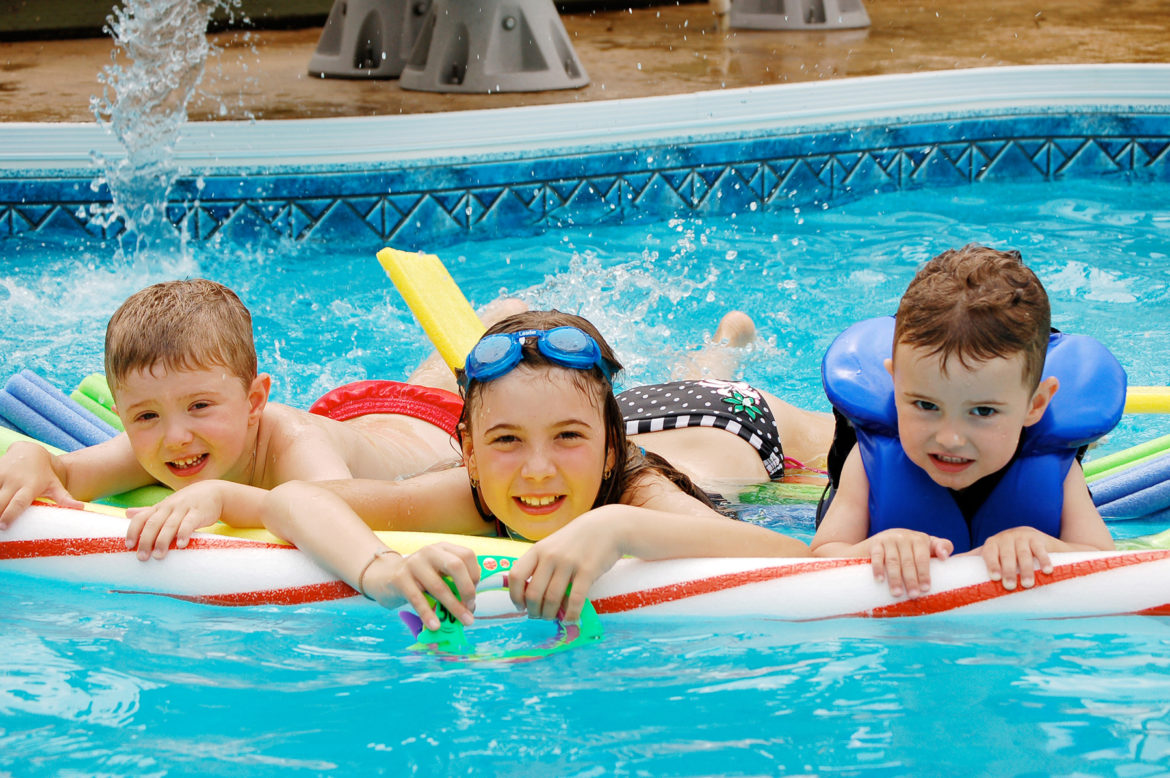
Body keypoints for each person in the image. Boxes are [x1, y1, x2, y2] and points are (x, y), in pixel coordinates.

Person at [260, 310, 811, 630]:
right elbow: (295, 499)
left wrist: (615, 526)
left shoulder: (639, 492)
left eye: (566, 439)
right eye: (507, 441)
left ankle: (724, 351)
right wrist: (377, 569)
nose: (537, 471)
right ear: (471, 455)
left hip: (729, 421)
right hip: (616, 414)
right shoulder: (471, 490)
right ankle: (714, 347)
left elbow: (793, 555)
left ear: (609, 454)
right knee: (567, 416)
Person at [0, 279, 518, 542]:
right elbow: (66, 470)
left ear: (253, 402)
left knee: (457, 374)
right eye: (145, 417)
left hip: (434, 426)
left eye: (200, 406)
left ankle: (506, 314)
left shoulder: (292, 444)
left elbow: (337, 512)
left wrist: (223, 498)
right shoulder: (168, 439)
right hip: (351, 418)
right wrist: (29, 457)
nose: (175, 437)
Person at [810, 244, 1123, 598]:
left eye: (983, 411)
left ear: (1035, 405)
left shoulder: (1052, 465)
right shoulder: (869, 460)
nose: (951, 438)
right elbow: (820, 557)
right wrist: (877, 546)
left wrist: (1042, 545)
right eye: (926, 405)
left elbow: (1102, 561)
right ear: (896, 386)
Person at [621, 310, 834, 486]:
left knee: (852, 451)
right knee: (701, 391)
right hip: (643, 407)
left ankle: (726, 346)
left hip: (721, 439)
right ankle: (724, 346)